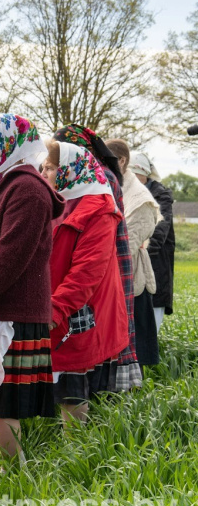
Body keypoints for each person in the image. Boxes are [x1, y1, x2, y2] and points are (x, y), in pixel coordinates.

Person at [0, 114, 61, 460]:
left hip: (12, 310)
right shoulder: (4, 183)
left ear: (7, 144)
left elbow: (8, 257)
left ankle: (15, 474)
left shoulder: (27, 189)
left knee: (2, 402)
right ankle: (12, 470)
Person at [40, 142, 127, 423]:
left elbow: (87, 271)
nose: (44, 174)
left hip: (80, 310)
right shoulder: (60, 202)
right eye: (43, 167)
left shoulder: (98, 209)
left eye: (51, 168)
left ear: (71, 171)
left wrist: (56, 308)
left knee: (72, 383)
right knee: (58, 379)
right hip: (57, 307)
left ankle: (78, 455)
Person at [53, 124, 141, 391]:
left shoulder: (98, 177)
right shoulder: (77, 179)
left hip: (101, 256)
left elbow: (95, 230)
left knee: (100, 331)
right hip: (94, 255)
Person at [106, 140, 161, 367]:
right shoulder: (112, 187)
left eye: (107, 161)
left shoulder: (141, 200)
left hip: (132, 281)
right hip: (113, 279)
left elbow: (125, 248)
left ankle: (131, 395)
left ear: (121, 161)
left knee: (135, 348)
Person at [130, 152, 175, 333]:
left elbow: (157, 237)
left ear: (144, 174)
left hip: (155, 273)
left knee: (149, 334)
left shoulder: (160, 197)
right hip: (134, 273)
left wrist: (130, 252)